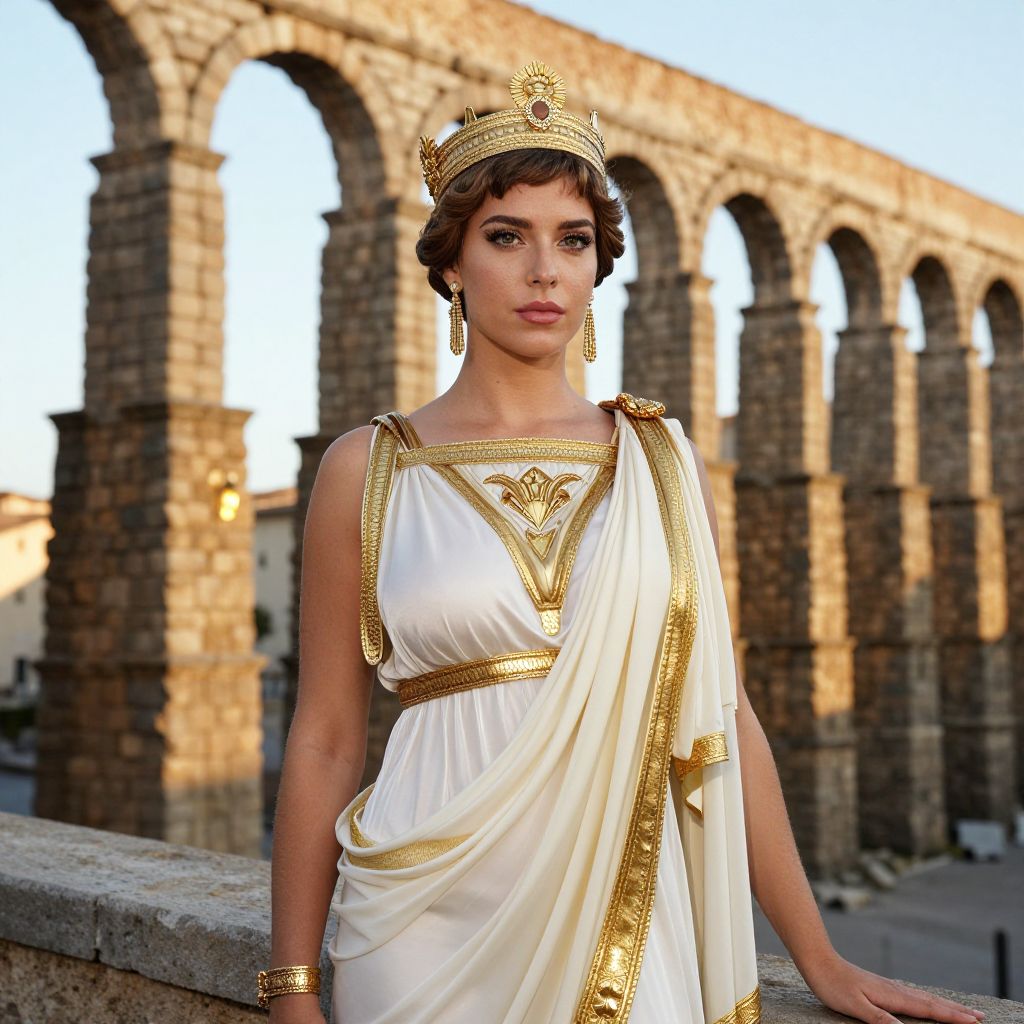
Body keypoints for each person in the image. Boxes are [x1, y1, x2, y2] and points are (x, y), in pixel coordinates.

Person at [260, 62, 989, 1024]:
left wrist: (820, 957)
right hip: (418, 920)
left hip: (629, 906)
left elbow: (724, 719)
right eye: (505, 236)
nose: (541, 270)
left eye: (573, 240)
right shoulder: (367, 467)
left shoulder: (663, 461)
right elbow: (322, 740)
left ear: (598, 269)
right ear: (450, 264)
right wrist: (292, 984)